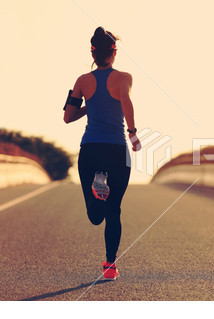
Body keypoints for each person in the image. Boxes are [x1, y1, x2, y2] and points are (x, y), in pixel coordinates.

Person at [64, 27, 141, 280]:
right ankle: (110, 266)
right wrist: (132, 132)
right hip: (116, 150)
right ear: (115, 52)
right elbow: (125, 100)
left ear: (92, 52)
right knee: (114, 211)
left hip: (90, 149)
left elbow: (67, 117)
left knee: (96, 216)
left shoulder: (82, 81)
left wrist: (90, 105)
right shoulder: (124, 78)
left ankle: (98, 184)